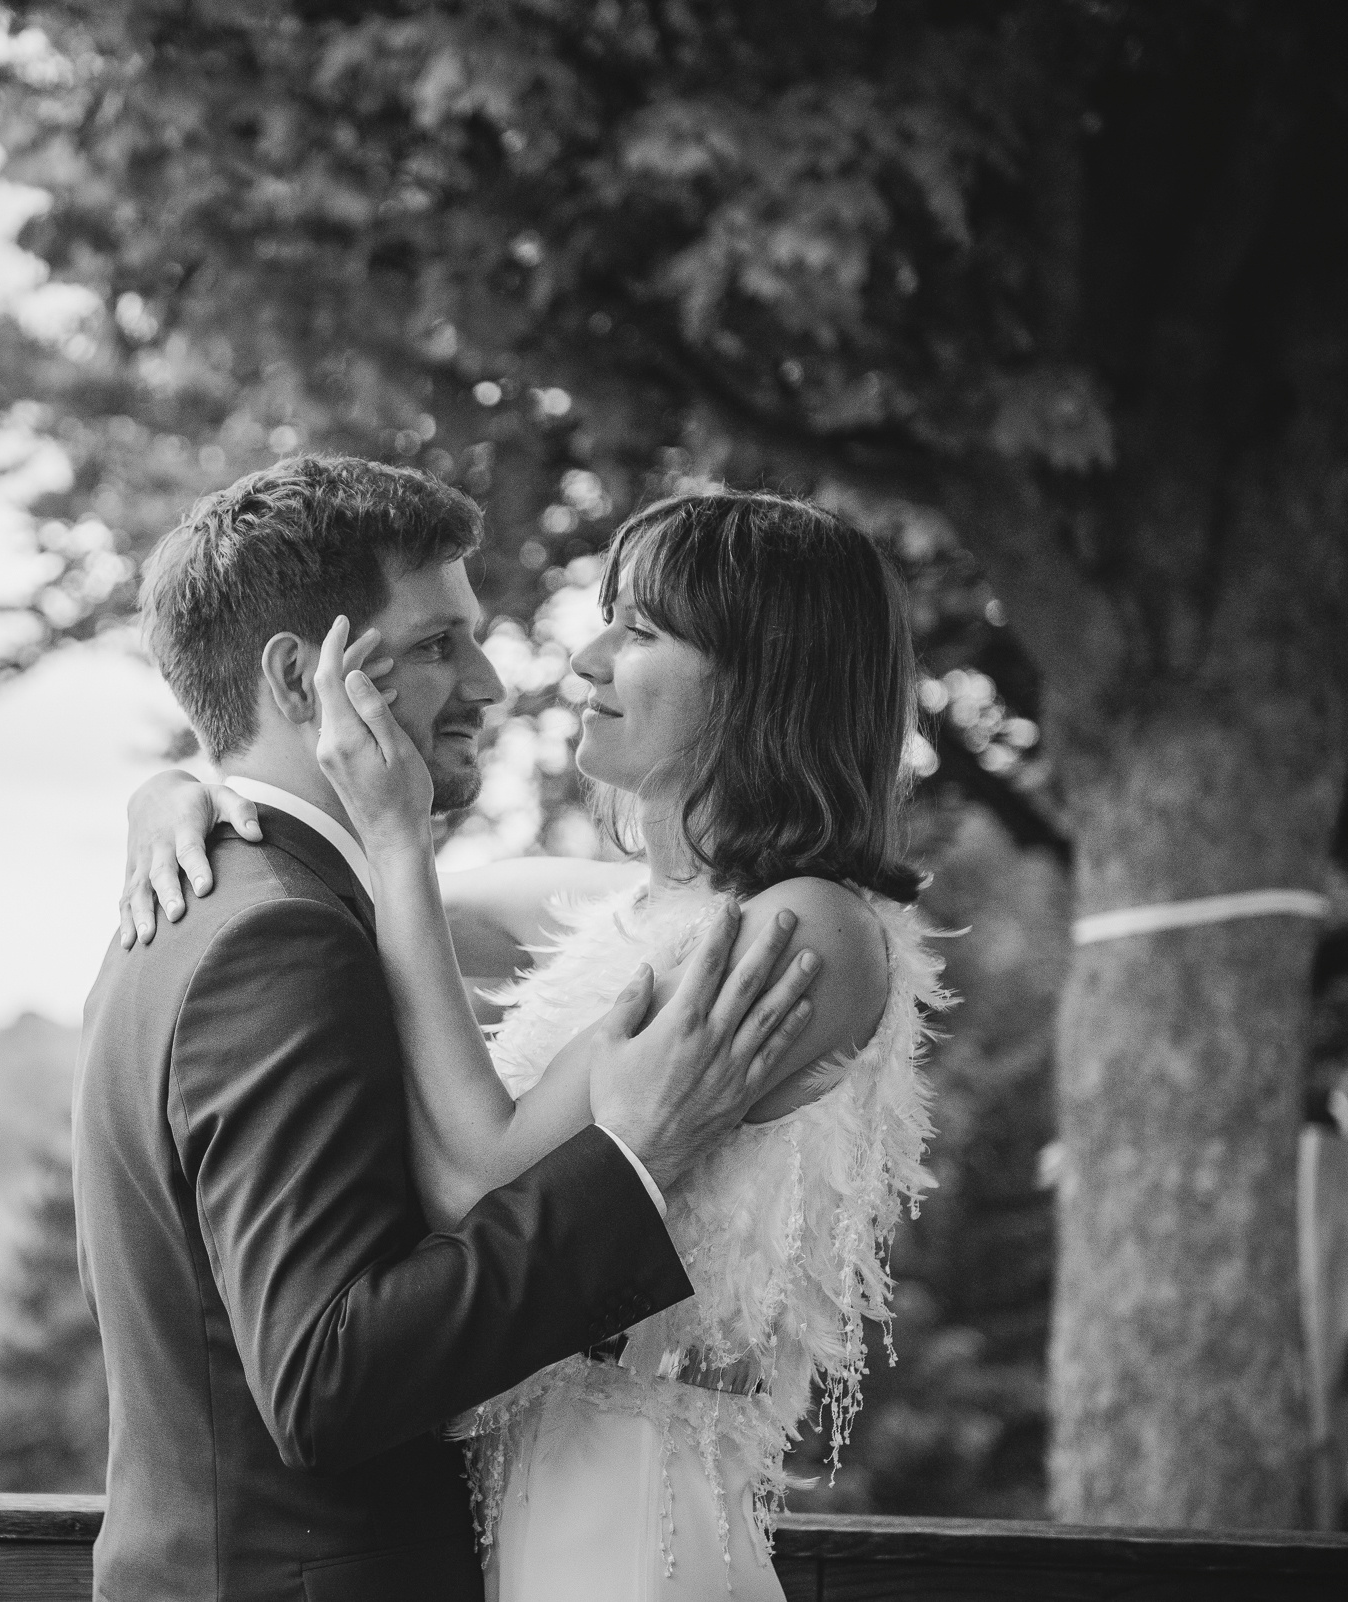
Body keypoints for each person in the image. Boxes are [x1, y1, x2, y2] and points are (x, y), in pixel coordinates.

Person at [121, 483, 943, 1599]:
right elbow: (339, 899)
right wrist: (190, 791)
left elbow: (478, 1186)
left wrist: (398, 837)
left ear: (763, 675)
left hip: (623, 1512)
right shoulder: (649, 910)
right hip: (520, 1494)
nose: (583, 661)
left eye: (640, 631)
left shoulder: (808, 933)